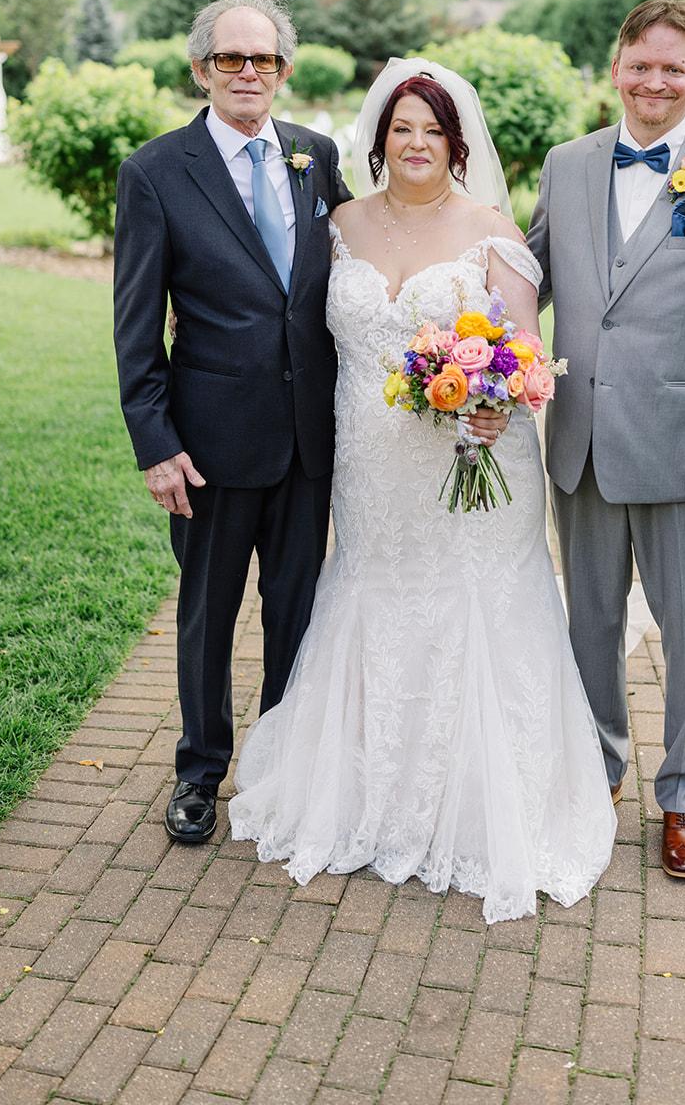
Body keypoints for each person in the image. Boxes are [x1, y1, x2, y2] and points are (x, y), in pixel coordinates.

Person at [227, 59, 616, 922]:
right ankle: (367, 794)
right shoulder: (337, 226)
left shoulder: (490, 232)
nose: (415, 143)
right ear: (378, 140)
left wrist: (495, 401)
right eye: (401, 128)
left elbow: (526, 352)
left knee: (473, 605)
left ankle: (479, 808)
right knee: (375, 594)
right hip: (369, 463)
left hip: (470, 461)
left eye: (431, 130)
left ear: (456, 143)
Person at [528, 0, 685, 879]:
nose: (654, 81)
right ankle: (597, 769)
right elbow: (526, 279)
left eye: (673, 68)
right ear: (615, 69)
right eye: (640, 64)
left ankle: (684, 796)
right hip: (582, 444)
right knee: (590, 624)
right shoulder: (566, 165)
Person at [113, 0, 351, 846]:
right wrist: (156, 445)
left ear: (283, 70)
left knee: (297, 613)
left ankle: (280, 768)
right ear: (200, 69)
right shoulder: (154, 172)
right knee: (207, 616)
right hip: (208, 444)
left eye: (264, 58)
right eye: (230, 57)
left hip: (309, 440)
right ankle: (200, 769)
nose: (248, 71)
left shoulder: (317, 156)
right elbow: (136, 324)